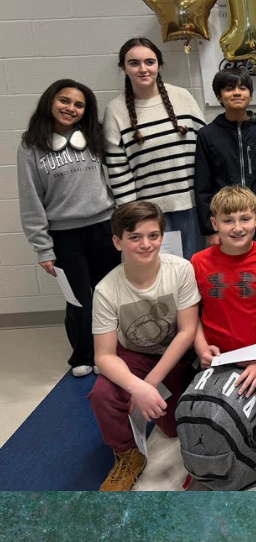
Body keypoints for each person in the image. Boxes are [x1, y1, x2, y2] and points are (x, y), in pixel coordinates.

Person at [89, 201, 200, 491]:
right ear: (118, 242)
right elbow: (103, 356)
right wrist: (137, 387)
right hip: (134, 354)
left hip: (175, 355)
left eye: (153, 235)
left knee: (173, 428)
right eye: (135, 237)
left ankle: (158, 404)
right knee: (103, 393)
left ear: (162, 237)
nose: (146, 244)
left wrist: (151, 383)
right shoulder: (105, 290)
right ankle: (128, 454)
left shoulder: (181, 270)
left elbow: (187, 331)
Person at [17, 79, 120, 377]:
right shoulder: (30, 146)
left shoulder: (94, 136)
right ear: (50, 101)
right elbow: (30, 199)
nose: (70, 108)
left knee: (106, 294)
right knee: (78, 299)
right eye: (64, 101)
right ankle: (83, 355)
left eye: (78, 104)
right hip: (64, 236)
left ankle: (108, 353)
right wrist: (42, 247)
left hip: (103, 227)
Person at [191, 185, 256, 398]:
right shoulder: (198, 262)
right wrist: (201, 347)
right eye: (228, 220)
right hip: (217, 358)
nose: (237, 227)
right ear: (215, 223)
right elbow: (191, 315)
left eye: (245, 219)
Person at [103, 38, 206, 260]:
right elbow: (118, 171)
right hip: (150, 217)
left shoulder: (183, 98)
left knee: (196, 274)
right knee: (162, 279)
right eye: (134, 63)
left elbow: (206, 151)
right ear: (123, 68)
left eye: (149, 62)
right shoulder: (115, 111)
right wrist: (133, 218)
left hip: (193, 208)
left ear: (158, 64)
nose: (143, 69)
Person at [195, 68, 256, 248]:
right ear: (219, 96)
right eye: (229, 88)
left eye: (243, 88)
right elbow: (202, 186)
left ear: (251, 95)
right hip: (226, 225)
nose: (237, 93)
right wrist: (210, 229)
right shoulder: (207, 135)